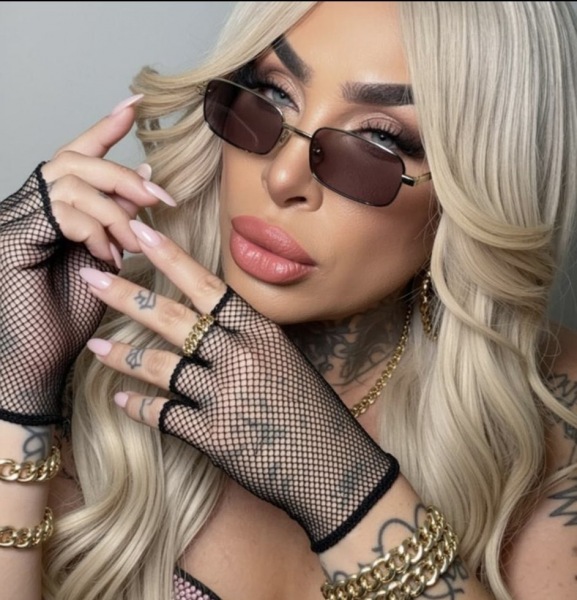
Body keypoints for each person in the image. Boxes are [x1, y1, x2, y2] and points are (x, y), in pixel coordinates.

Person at [1, 2, 576, 599]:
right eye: (273, 94)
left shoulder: (553, 417)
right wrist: (14, 400)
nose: (281, 178)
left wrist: (344, 489)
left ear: (476, 189)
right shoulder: (78, 342)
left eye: (379, 140)